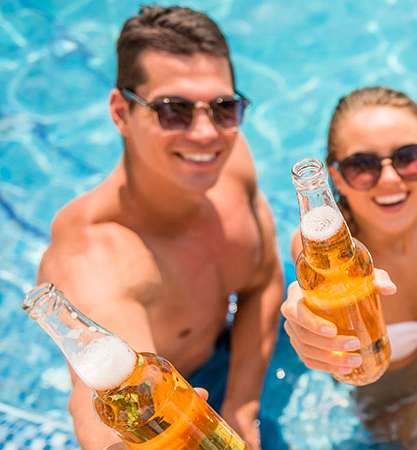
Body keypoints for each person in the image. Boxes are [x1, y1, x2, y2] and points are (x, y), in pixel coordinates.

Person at [36, 6, 283, 449]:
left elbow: (263, 280)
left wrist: (242, 407)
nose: (207, 133)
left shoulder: (230, 161)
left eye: (224, 108)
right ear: (120, 113)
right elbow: (96, 405)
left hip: (240, 366)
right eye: (174, 111)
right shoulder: (99, 257)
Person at [279, 86, 417, 444]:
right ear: (336, 177)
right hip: (384, 399)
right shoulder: (325, 254)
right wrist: (307, 327)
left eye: (409, 158)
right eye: (362, 166)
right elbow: (306, 303)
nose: (390, 180)